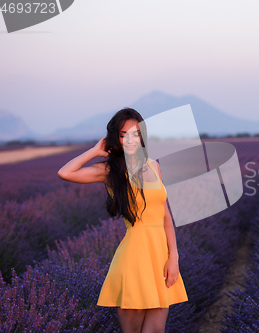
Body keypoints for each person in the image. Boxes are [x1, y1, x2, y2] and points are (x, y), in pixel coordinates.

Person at [58, 108, 188, 333]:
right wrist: (95, 151)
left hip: (160, 259)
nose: (130, 139)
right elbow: (65, 172)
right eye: (123, 134)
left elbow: (166, 215)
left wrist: (174, 257)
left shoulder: (154, 166)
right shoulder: (109, 170)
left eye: (136, 133)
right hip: (134, 260)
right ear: (115, 138)